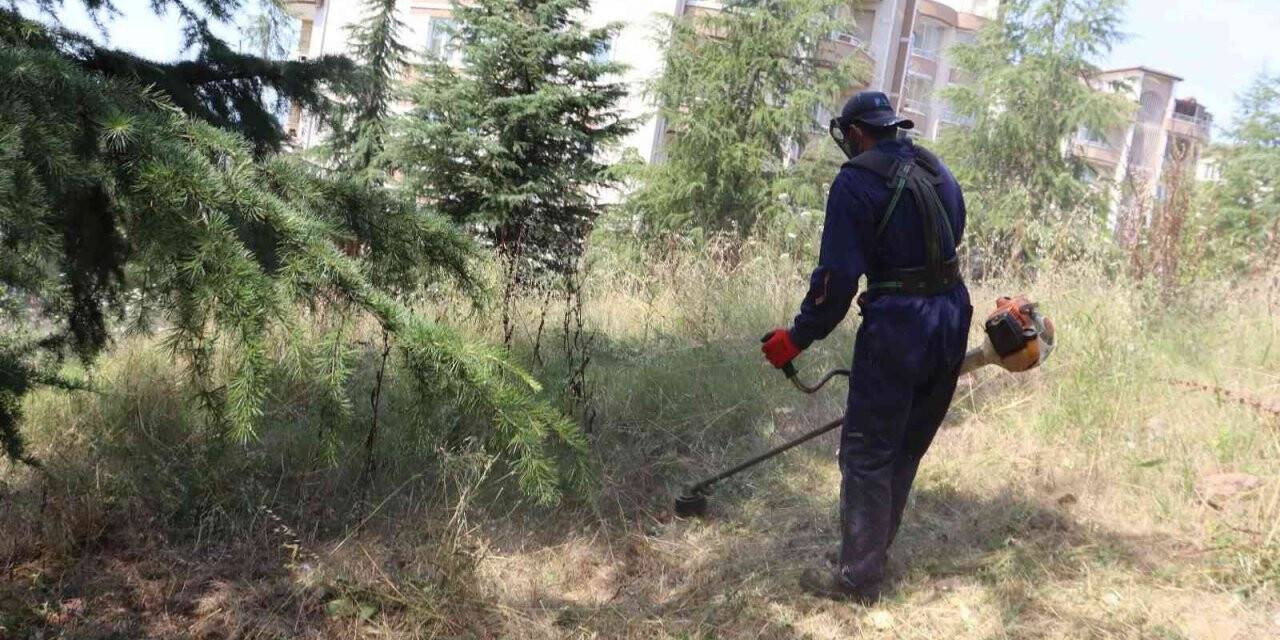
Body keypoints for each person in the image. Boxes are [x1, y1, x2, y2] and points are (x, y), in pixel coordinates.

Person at [760, 91, 972, 603]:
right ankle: (872, 556)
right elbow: (955, 234)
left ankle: (857, 581)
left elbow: (836, 281)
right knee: (904, 447)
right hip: (952, 315)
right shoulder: (934, 166)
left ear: (855, 133)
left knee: (866, 454)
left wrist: (796, 337)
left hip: (900, 326)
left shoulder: (856, 181)